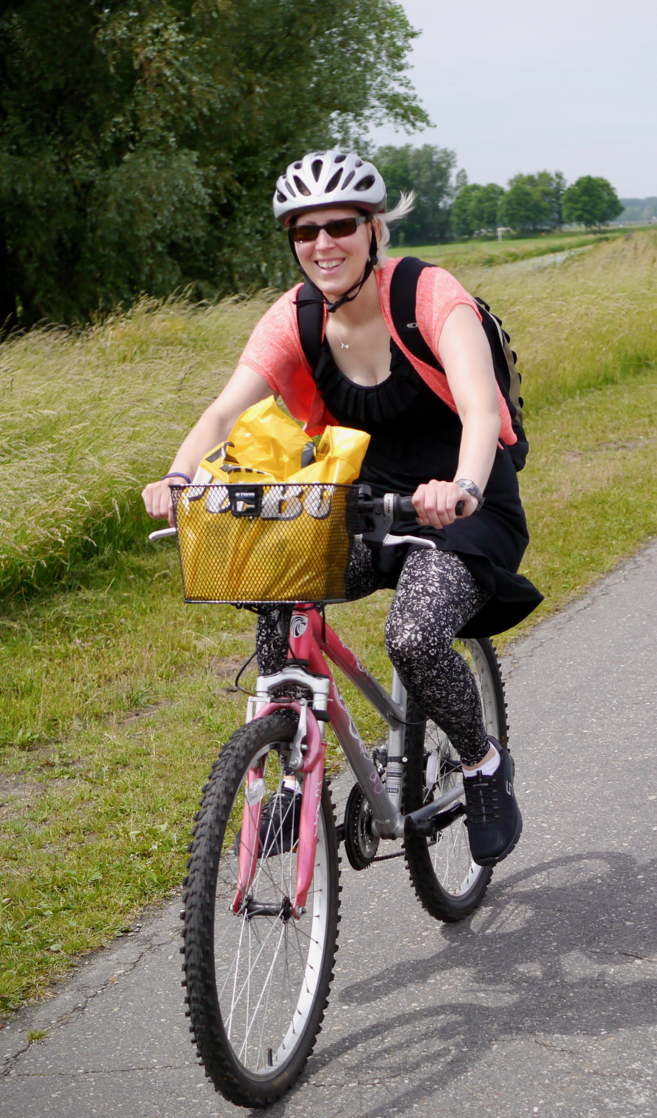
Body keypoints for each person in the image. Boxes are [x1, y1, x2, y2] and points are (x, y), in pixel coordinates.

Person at [142, 150, 537, 867]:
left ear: (373, 228)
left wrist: (463, 486)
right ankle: (293, 774)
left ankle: (482, 764)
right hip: (362, 506)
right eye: (304, 230)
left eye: (340, 226)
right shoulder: (295, 317)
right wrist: (178, 474)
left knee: (414, 636)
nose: (322, 243)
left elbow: (481, 409)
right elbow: (225, 412)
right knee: (275, 582)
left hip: (463, 505)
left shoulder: (427, 296)